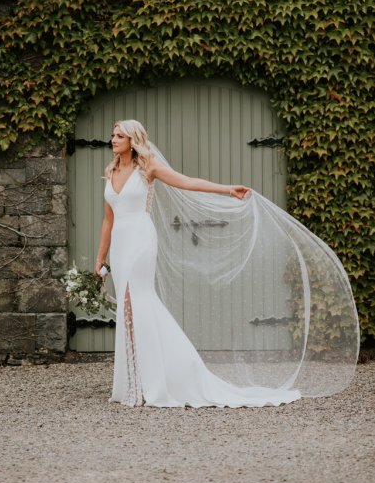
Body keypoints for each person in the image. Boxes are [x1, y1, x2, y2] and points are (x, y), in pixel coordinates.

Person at [95, 119, 359, 408]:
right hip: (120, 244)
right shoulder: (111, 172)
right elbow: (108, 220)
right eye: (113, 135)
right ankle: (135, 380)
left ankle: (158, 380)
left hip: (141, 241)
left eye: (119, 136)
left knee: (139, 301)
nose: (113, 139)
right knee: (127, 306)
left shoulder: (149, 168)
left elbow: (187, 182)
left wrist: (226, 189)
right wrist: (100, 258)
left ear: (133, 141)